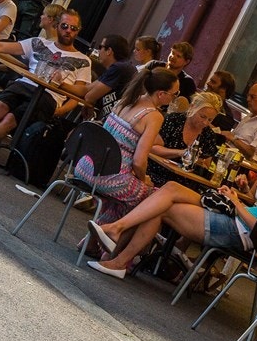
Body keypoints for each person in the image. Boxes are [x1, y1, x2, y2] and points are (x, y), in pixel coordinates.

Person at [88, 155, 257, 279]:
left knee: (162, 207)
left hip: (237, 231)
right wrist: (234, 200)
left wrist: (237, 203)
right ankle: (116, 239)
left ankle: (118, 255)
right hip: (234, 221)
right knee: (171, 188)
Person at [0, 8, 92, 156]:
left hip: (49, 97)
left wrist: (61, 90)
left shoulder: (83, 60)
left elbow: (81, 92)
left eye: (73, 28)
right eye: (64, 26)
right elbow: (1, 46)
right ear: (57, 25)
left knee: (10, 120)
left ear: (78, 31)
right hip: (24, 84)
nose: (68, 30)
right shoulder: (38, 43)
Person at [68, 67, 176, 223]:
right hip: (108, 177)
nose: (174, 99)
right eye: (174, 95)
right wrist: (143, 179)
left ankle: (96, 235)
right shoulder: (153, 116)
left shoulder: (126, 100)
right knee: (153, 197)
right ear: (161, 94)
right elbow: (139, 162)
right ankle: (103, 233)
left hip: (84, 166)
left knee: (131, 193)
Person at [147, 91, 224, 187]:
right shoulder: (174, 121)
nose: (205, 123)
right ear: (192, 107)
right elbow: (152, 148)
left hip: (186, 183)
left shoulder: (209, 135)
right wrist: (180, 152)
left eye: (210, 120)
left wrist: (200, 164)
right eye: (202, 116)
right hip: (157, 173)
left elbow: (206, 166)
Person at [82, 35, 136, 115]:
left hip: (109, 120)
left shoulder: (119, 68)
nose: (99, 51)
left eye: (101, 47)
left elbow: (89, 97)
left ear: (109, 51)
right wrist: (61, 84)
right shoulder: (123, 66)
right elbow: (86, 89)